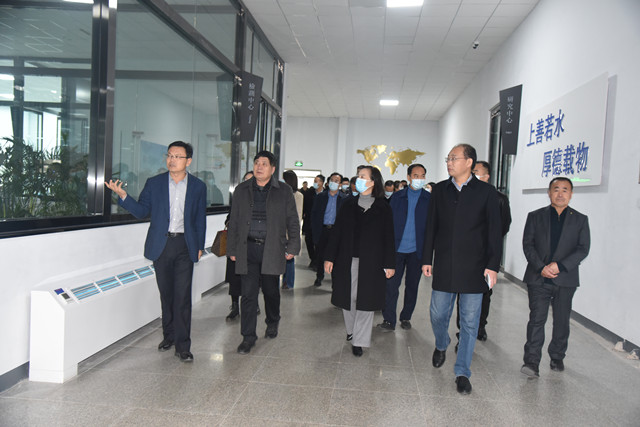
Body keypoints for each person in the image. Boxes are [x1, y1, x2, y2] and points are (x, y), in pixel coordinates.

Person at [105, 141, 206, 362]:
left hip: (184, 245)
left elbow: (199, 219)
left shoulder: (198, 186)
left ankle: (183, 346)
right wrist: (123, 196)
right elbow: (142, 211)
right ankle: (168, 336)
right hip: (162, 245)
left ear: (188, 161)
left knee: (182, 297)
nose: (172, 160)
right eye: (169, 155)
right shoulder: (155, 183)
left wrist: (199, 246)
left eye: (177, 156)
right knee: (166, 294)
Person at [421, 144, 502, 395]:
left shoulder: (486, 192)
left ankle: (462, 371)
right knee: (437, 314)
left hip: (475, 267)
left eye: (454, 158)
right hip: (445, 264)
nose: (449, 162)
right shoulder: (440, 190)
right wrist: (427, 258)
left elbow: (495, 231)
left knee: (469, 322)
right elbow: (431, 226)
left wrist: (492, 265)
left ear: (469, 162)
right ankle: (442, 342)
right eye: (448, 158)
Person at [226, 151, 300, 354]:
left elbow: (293, 220)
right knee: (248, 295)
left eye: (264, 164)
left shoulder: (283, 191)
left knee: (270, 291)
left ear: (273, 169)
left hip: (272, 248)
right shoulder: (242, 189)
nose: (259, 167)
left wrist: (293, 246)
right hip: (247, 248)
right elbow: (234, 221)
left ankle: (273, 321)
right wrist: (231, 248)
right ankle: (248, 337)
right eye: (257, 163)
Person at [520, 177, 590, 377]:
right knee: (536, 319)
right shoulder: (535, 216)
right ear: (549, 193)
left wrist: (560, 266)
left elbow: (583, 249)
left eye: (565, 190)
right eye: (556, 189)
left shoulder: (580, 219)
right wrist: (541, 267)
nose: (560, 194)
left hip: (565, 278)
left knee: (561, 320)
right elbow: (528, 244)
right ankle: (531, 362)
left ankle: (557, 356)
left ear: (571, 194)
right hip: (538, 277)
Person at [324, 166, 395, 357]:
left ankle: (359, 341)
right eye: (359, 176)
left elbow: (389, 237)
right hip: (347, 259)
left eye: (363, 176)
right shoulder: (348, 204)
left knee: (366, 300)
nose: (359, 179)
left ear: (373, 182)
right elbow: (337, 233)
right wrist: (329, 257)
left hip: (372, 262)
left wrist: (390, 263)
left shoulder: (383, 207)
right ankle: (351, 331)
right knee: (348, 298)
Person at [454, 160, 512, 345]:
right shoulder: (462, 194)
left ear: (487, 176)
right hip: (465, 254)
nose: (473, 175)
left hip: (486, 255)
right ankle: (462, 329)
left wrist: (489, 243)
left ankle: (480, 325)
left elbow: (504, 225)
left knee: (485, 292)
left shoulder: (499, 198)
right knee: (463, 291)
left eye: (477, 172)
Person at [378, 164, 430, 332]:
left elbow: (432, 229)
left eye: (422, 176)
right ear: (408, 177)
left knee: (412, 287)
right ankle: (389, 320)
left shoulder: (429, 199)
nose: (419, 179)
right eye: (416, 176)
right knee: (391, 286)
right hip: (396, 250)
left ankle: (406, 317)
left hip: (417, 252)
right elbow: (387, 224)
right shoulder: (397, 197)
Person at [225, 171, 255, 321]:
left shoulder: (261, 199)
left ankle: (253, 303)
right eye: (245, 179)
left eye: (251, 180)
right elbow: (229, 217)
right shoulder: (238, 195)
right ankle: (235, 306)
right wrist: (230, 222)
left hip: (252, 245)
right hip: (237, 244)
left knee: (252, 278)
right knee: (234, 278)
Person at [311, 172, 347, 287]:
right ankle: (319, 276)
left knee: (336, 257)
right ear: (328, 182)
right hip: (323, 230)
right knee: (320, 255)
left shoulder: (344, 199)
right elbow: (314, 215)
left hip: (336, 232)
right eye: (332, 180)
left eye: (336, 181)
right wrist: (315, 232)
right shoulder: (320, 197)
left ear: (340, 184)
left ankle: (334, 282)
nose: (333, 183)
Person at [282, 170, 304, 289]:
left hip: (289, 232)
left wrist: (292, 233)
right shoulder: (280, 193)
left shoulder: (298, 196)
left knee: (289, 258)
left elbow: (298, 216)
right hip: (278, 231)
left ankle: (288, 282)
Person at [302, 174, 324, 269]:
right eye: (314, 181)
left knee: (319, 243)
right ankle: (313, 259)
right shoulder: (309, 193)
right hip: (309, 221)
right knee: (308, 241)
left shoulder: (326, 194)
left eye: (316, 181)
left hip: (321, 223)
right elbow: (304, 206)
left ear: (322, 182)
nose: (315, 183)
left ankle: (317, 261)